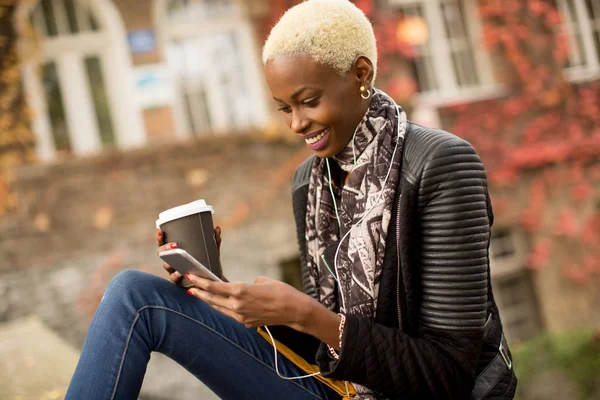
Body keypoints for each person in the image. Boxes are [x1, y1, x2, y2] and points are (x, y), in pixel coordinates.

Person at [65, 1, 517, 399]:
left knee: (135, 297)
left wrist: (310, 316)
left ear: (361, 73)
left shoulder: (440, 163)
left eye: (308, 101)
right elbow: (321, 351)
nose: (296, 124)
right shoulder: (310, 181)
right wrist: (223, 291)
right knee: (135, 294)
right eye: (284, 107)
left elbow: (448, 377)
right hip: (333, 388)